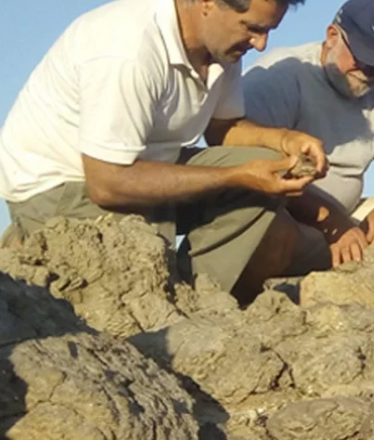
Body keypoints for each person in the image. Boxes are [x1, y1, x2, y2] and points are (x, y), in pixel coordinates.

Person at [0, 0, 328, 304]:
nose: (260, 44)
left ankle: (196, 298)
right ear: (208, 3)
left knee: (268, 166)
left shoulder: (221, 46)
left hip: (141, 167)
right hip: (65, 186)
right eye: (253, 28)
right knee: (141, 275)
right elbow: (107, 183)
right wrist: (235, 176)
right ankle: (32, 243)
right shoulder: (127, 49)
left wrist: (283, 140)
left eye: (268, 30)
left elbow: (222, 128)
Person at [241, 0, 374, 272]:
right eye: (363, 60)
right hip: (291, 216)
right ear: (332, 36)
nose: (370, 73)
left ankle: (356, 284)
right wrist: (329, 221)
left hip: (348, 220)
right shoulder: (281, 75)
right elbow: (255, 171)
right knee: (270, 231)